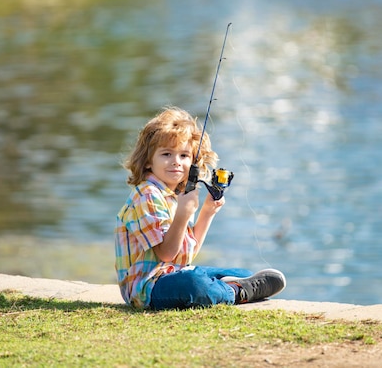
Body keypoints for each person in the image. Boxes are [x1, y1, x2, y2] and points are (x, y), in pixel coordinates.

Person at [114, 106, 286, 310]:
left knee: (241, 272)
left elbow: (186, 254)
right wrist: (183, 214)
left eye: (184, 156)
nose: (176, 162)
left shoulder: (174, 196)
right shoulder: (148, 195)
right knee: (193, 282)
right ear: (149, 161)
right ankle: (234, 292)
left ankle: (230, 287)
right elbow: (167, 254)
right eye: (166, 154)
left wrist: (207, 212)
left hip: (173, 273)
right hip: (148, 289)